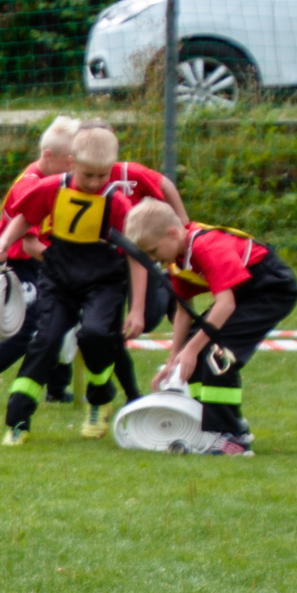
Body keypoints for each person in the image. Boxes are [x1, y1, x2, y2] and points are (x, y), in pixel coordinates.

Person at [0, 126, 147, 446]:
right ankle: (18, 422)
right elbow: (25, 216)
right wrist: (5, 240)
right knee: (45, 342)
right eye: (88, 175)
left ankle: (100, 399)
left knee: (95, 335)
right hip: (59, 279)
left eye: (103, 176)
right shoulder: (51, 188)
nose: (94, 183)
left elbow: (136, 257)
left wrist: (138, 309)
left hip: (104, 282)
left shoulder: (117, 204)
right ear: (72, 162)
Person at [125, 199, 297, 457]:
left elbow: (226, 304)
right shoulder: (176, 259)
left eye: (153, 251)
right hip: (243, 293)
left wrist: (192, 349)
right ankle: (206, 424)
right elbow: (183, 310)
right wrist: (175, 357)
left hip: (271, 289)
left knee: (218, 354)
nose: (153, 259)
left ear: (173, 233)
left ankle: (233, 438)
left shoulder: (207, 246)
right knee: (195, 348)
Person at [0, 116, 79, 409]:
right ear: (48, 155)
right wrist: (65, 266)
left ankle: (57, 387)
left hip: (39, 261)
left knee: (63, 314)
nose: (72, 171)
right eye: (68, 164)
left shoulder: (53, 179)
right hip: (21, 263)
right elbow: (27, 243)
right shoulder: (30, 187)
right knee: (28, 328)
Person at [77, 120, 190, 403]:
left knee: (146, 319)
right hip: (105, 267)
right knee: (108, 328)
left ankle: (165, 288)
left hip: (139, 257)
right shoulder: (77, 178)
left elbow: (165, 184)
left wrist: (184, 224)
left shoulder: (129, 174)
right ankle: (125, 394)